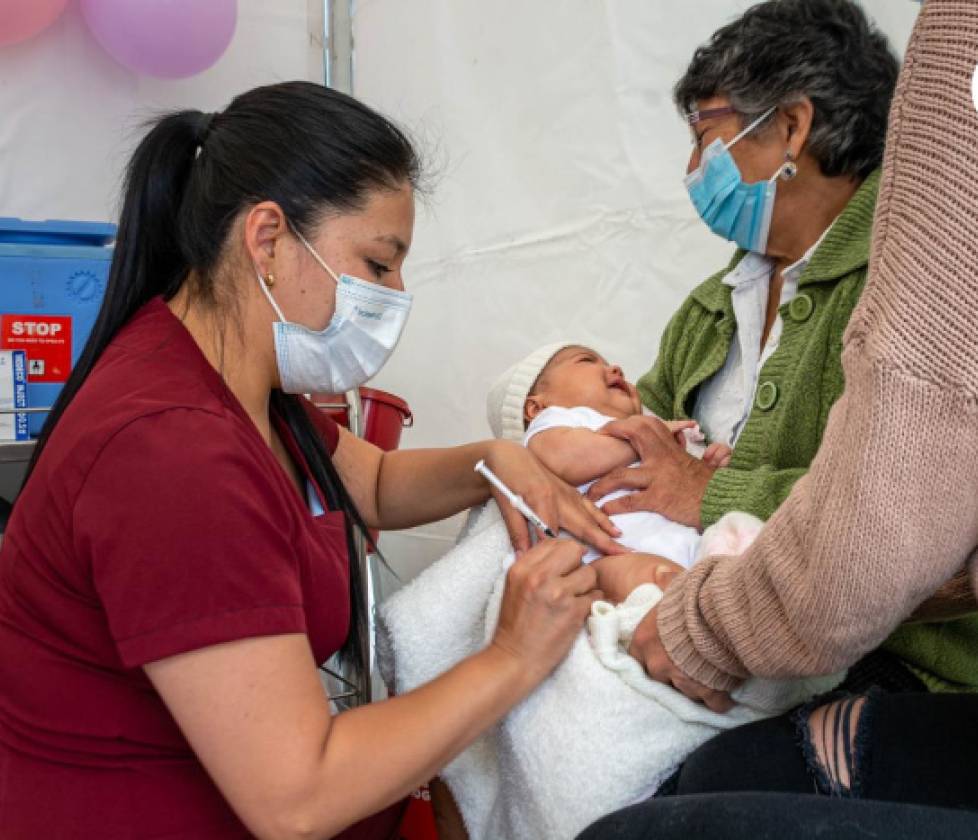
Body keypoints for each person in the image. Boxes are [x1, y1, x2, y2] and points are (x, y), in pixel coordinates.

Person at [0, 82, 623, 839]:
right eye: (379, 263)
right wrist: (512, 658)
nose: (396, 295)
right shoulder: (173, 453)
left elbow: (377, 484)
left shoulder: (239, 380)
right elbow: (297, 798)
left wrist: (499, 459)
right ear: (266, 239)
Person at [578, 0, 978, 835]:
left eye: (706, 132)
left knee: (652, 796)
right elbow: (638, 444)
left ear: (792, 126)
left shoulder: (922, 295)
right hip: (714, 625)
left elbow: (908, 516)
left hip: (891, 666)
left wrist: (706, 495)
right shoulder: (711, 307)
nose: (693, 164)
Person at [487, 342, 743, 577]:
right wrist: (649, 440)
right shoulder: (555, 422)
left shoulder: (649, 429)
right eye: (587, 361)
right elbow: (563, 459)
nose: (615, 369)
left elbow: (686, 486)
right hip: (617, 553)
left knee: (744, 537)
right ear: (536, 407)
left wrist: (708, 468)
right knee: (647, 578)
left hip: (686, 546)